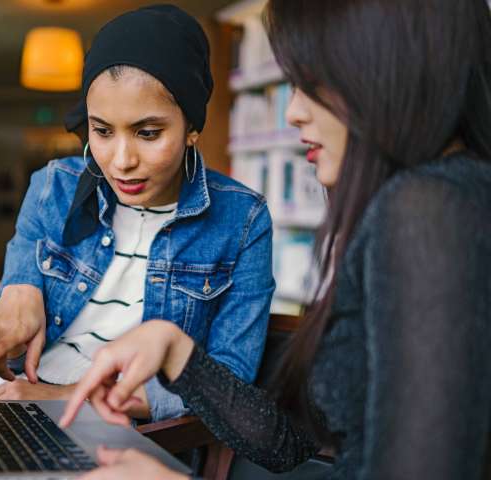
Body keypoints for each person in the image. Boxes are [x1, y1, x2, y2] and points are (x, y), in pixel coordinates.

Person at [61, 0, 491, 478]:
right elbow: (290, 445)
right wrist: (176, 351)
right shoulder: (429, 202)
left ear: (388, 71)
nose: (294, 113)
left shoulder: (429, 209)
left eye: (311, 84)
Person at [0, 4, 274, 423]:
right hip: (10, 394)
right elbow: (20, 273)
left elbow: (226, 383)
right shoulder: (53, 185)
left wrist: (63, 396)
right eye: (103, 131)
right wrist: (19, 287)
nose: (121, 160)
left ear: (192, 128)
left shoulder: (243, 220)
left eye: (148, 133)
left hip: (113, 428)